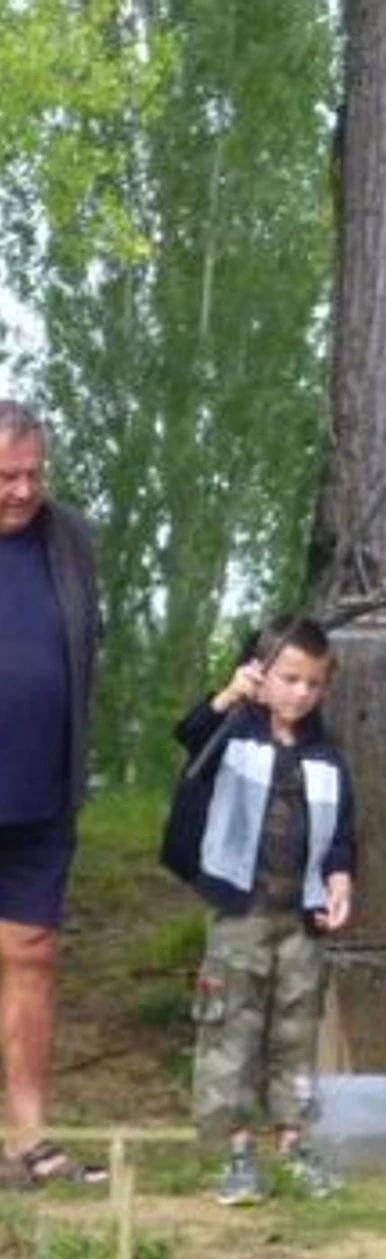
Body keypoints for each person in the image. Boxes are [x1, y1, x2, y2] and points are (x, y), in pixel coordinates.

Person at [162, 619, 357, 1204]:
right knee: (233, 1028)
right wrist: (229, 696)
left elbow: (342, 832)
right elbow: (189, 734)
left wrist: (340, 878)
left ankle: (293, 1144)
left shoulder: (327, 755)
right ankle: (238, 1151)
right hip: (240, 911)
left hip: (301, 917)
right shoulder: (231, 735)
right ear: (260, 674)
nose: (300, 693)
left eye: (313, 684)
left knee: (296, 1030)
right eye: (289, 679)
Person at [0, 400, 105, 1187]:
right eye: (6, 476)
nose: (23, 490)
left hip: (41, 790)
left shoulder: (69, 538)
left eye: (34, 473)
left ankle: (29, 1139)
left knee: (32, 955)